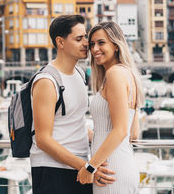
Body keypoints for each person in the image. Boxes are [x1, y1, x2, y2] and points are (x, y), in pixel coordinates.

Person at [31, 15, 115, 194]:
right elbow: (43, 139)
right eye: (79, 39)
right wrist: (86, 167)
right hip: (52, 170)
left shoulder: (79, 74)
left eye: (85, 37)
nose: (87, 43)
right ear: (60, 42)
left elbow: (76, 121)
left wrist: (107, 140)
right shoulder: (47, 81)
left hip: (80, 166)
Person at [77, 21, 144, 193]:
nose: (94, 49)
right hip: (120, 165)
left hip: (110, 169)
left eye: (101, 43)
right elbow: (133, 133)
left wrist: (90, 168)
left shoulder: (114, 74)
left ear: (116, 45)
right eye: (92, 44)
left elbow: (121, 130)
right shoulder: (128, 74)